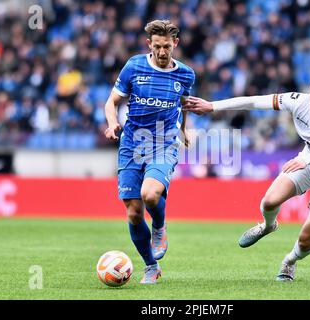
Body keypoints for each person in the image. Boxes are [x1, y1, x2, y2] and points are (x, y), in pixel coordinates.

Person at [183, 73, 310, 281]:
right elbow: (255, 101)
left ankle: (289, 261)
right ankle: (267, 225)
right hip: (307, 164)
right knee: (269, 202)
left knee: (306, 241)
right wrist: (212, 106)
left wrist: (306, 160)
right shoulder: (299, 102)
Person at [103, 20, 195, 284]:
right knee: (133, 211)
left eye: (167, 46)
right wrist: (112, 123)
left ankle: (159, 226)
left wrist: (184, 131)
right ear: (149, 45)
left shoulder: (186, 74)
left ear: (175, 44)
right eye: (157, 46)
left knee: (150, 195)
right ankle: (151, 266)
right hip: (132, 144)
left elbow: (184, 104)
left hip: (163, 143)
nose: (163, 52)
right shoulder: (134, 66)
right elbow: (112, 101)